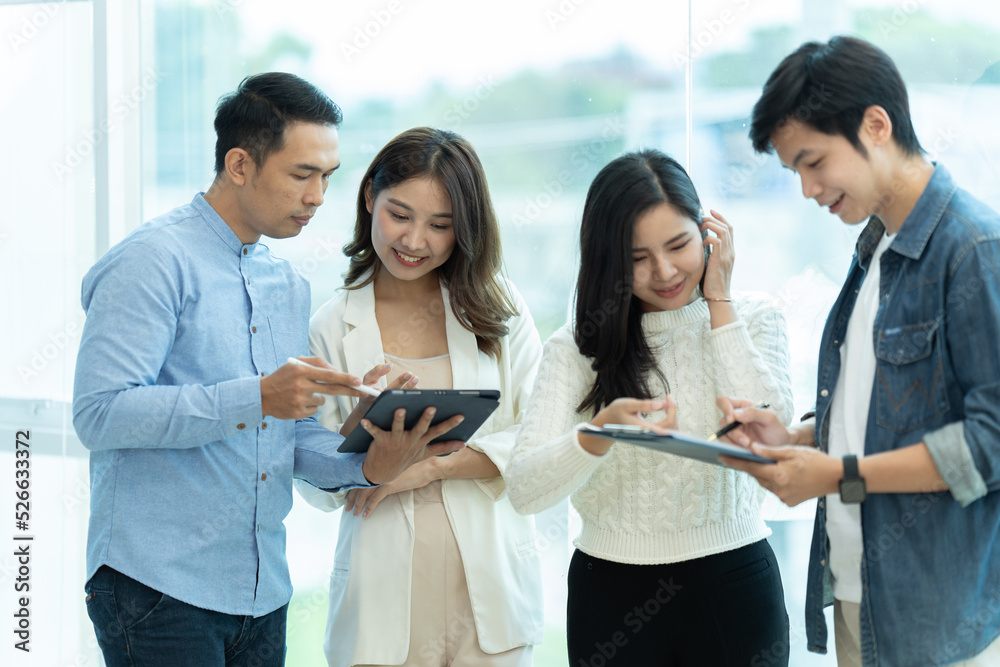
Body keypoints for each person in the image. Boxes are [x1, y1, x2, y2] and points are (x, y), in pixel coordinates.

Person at [72, 74, 464, 667]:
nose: (317, 196)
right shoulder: (151, 263)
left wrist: (369, 456)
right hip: (156, 590)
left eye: (327, 177)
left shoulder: (287, 284)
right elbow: (100, 415)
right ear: (239, 164)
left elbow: (288, 434)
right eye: (302, 174)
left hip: (261, 595)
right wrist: (257, 396)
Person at [719, 35, 1000, 667]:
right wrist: (801, 438)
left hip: (939, 616)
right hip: (859, 598)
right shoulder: (874, 250)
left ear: (876, 125)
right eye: (794, 170)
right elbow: (890, 412)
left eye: (813, 162)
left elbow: (991, 442)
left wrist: (840, 476)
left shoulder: (973, 249)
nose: (807, 189)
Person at [504, 149, 794, 665]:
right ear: (608, 262)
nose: (663, 271)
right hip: (611, 590)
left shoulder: (755, 316)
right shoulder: (577, 348)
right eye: (637, 258)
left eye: (679, 245)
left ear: (707, 234)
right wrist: (597, 435)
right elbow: (525, 489)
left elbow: (776, 427)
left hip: (734, 580)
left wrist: (719, 301)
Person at [295, 127, 544, 667]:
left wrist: (425, 468)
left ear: (466, 229)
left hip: (486, 602)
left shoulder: (496, 307)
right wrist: (358, 435)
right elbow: (318, 487)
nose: (413, 241)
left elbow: (538, 437)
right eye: (399, 215)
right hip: (381, 601)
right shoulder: (331, 326)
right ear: (369, 199)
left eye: (441, 225)